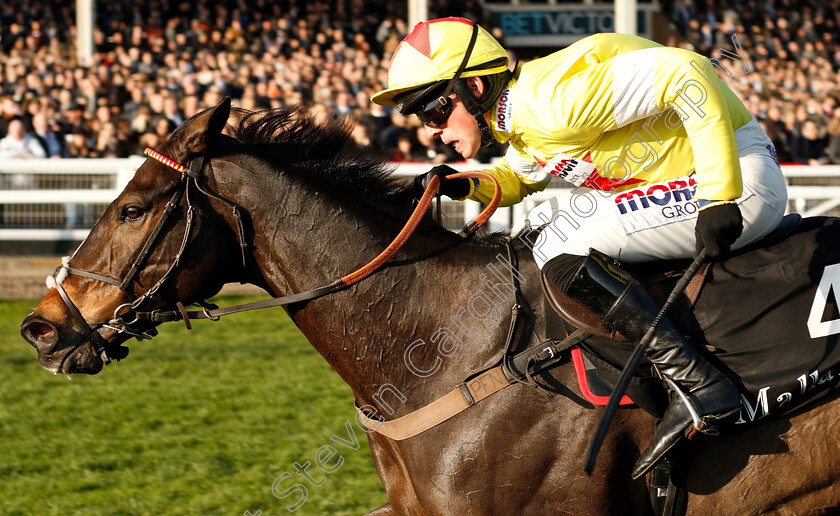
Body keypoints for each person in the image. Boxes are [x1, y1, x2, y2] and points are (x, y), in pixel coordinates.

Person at [371, 18, 789, 479]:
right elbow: (517, 179)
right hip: (695, 182)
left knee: (560, 239)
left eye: (432, 112)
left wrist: (719, 193)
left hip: (741, 182)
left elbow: (689, 72)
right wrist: (463, 184)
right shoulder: (521, 121)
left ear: (473, 86)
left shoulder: (549, 103)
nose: (430, 130)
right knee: (550, 233)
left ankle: (698, 384)